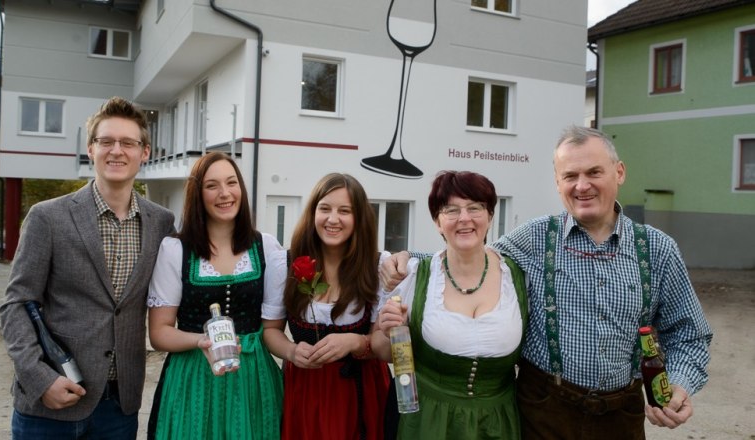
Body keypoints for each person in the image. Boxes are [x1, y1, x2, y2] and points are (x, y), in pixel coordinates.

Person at [383, 126, 713, 439]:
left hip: (621, 414)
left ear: (620, 172)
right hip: (544, 411)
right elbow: (469, 257)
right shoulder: (536, 236)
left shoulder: (658, 249)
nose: (581, 185)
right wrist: (405, 259)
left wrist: (679, 387)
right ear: (558, 182)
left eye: (594, 172)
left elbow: (689, 334)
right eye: (570, 176)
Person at [0, 96, 175, 439]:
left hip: (118, 407)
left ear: (145, 153)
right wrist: (40, 378)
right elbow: (15, 304)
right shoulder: (47, 217)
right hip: (51, 402)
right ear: (90, 149)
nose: (117, 150)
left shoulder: (161, 223)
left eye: (128, 142)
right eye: (106, 141)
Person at [372, 170, 528, 439]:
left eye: (475, 208)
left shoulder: (517, 275)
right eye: (451, 210)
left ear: (490, 216)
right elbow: (381, 350)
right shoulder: (414, 275)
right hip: (427, 420)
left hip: (497, 422)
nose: (464, 218)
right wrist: (387, 331)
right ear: (437, 221)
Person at [146, 152, 283, 439]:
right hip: (192, 377)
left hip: (252, 380)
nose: (225, 193)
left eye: (231, 183)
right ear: (197, 194)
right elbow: (159, 332)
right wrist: (199, 341)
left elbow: (273, 329)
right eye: (212, 186)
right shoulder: (175, 250)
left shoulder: (267, 247)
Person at [262, 173, 392, 440]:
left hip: (362, 389)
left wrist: (356, 342)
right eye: (325, 209)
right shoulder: (284, 262)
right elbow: (270, 331)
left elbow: (383, 343)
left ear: (359, 219)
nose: (333, 219)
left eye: (345, 211)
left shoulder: (378, 266)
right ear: (313, 213)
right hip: (306, 389)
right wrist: (291, 350)